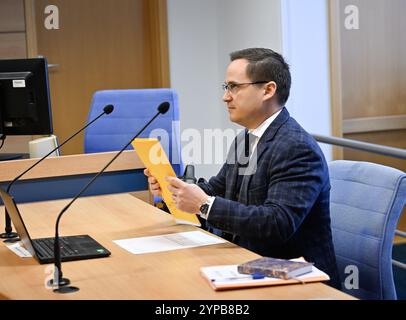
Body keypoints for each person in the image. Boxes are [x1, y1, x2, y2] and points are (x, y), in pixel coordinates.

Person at [144, 48, 340, 289]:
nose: (226, 97)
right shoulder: (247, 138)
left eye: (234, 87)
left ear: (268, 90)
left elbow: (276, 223)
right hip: (247, 262)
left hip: (297, 280)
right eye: (225, 87)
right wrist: (173, 189)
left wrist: (203, 204)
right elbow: (219, 188)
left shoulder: (297, 148)